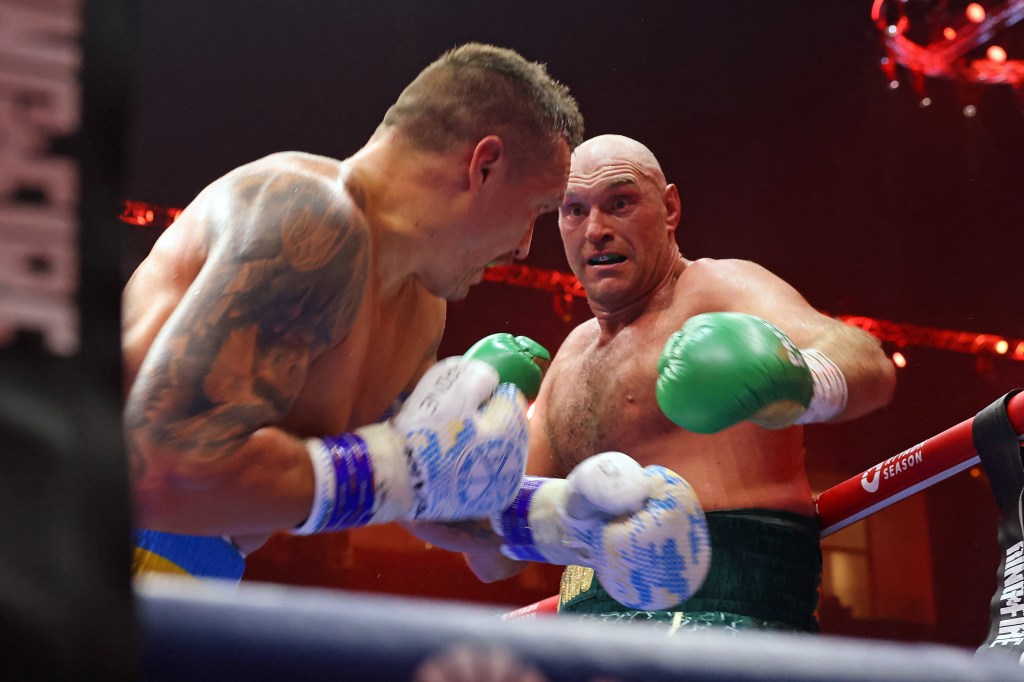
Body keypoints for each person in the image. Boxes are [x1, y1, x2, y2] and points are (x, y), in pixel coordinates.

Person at [122, 43, 585, 579]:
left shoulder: (421, 309)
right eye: (537, 209)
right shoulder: (309, 216)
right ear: (484, 165)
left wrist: (566, 521)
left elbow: (421, 488)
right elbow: (160, 472)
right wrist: (392, 468)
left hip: (199, 563)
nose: (527, 246)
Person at [436, 134, 896, 633]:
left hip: (728, 612)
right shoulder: (570, 357)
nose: (596, 229)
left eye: (620, 203)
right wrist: (475, 459)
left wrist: (794, 379)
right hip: (588, 625)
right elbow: (495, 563)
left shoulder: (717, 289)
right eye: (574, 211)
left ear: (670, 208)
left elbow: (867, 363)